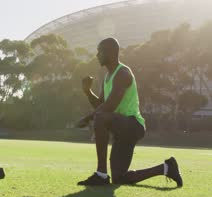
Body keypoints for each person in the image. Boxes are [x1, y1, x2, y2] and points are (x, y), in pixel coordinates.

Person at [76, 38, 182, 187]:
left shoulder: (123, 73)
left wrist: (87, 118)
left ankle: (101, 175)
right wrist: (88, 92)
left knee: (100, 117)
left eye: (100, 51)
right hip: (121, 130)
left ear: (111, 52)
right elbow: (101, 105)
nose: (97, 55)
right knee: (119, 178)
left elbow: (109, 106)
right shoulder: (107, 77)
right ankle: (166, 168)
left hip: (133, 125)